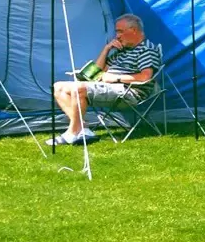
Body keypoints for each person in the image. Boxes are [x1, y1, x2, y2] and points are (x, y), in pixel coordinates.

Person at [49, 14, 162, 146]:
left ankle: (73, 132)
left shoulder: (146, 49)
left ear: (133, 30)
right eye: (116, 32)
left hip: (129, 92)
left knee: (78, 89)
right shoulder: (123, 51)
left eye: (120, 31)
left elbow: (145, 77)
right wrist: (106, 49)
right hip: (110, 87)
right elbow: (95, 72)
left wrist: (114, 78)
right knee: (58, 87)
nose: (117, 36)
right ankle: (82, 128)